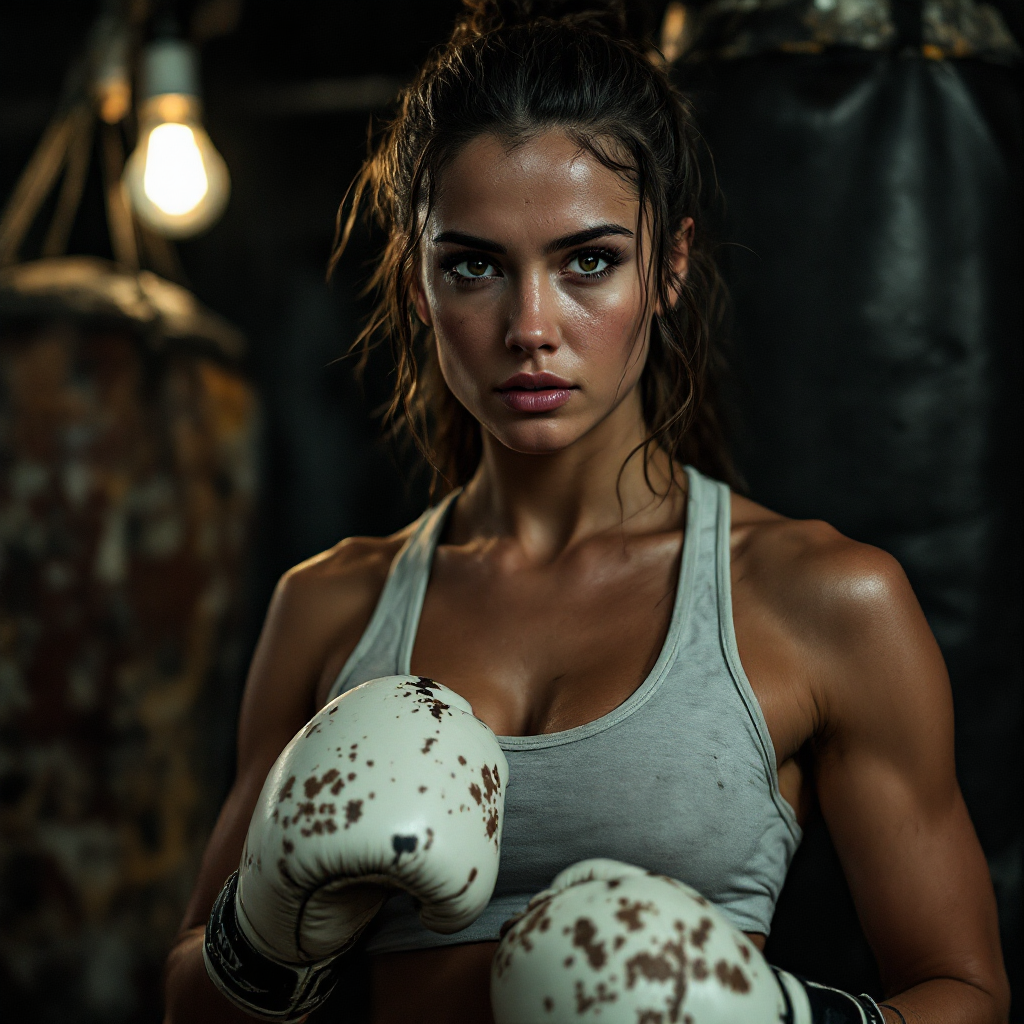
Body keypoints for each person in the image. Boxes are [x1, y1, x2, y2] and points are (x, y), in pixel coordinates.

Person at [162, 1, 1010, 1021]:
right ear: (419, 283)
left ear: (671, 265)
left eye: (588, 261)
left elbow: (965, 993)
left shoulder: (822, 600)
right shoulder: (332, 605)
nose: (530, 327)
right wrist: (263, 928)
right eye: (474, 264)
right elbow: (187, 1002)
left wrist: (780, 1019)